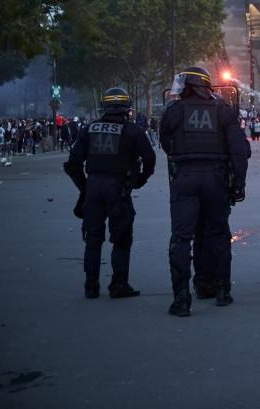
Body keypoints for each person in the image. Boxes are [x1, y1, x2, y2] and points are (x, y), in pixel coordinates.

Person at [159, 67, 250, 317]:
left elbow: (165, 142)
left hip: (185, 176)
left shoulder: (174, 110)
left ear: (187, 86)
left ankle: (182, 298)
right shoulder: (223, 110)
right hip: (216, 177)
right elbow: (239, 150)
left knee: (181, 237)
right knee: (219, 233)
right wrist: (238, 183)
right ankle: (223, 290)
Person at [63, 88, 156, 299]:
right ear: (127, 109)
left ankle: (91, 286)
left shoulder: (89, 129)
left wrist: (84, 188)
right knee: (121, 238)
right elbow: (149, 158)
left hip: (94, 186)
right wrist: (139, 180)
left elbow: (72, 164)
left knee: (93, 238)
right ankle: (119, 284)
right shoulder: (133, 131)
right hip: (119, 188)